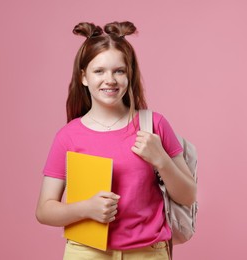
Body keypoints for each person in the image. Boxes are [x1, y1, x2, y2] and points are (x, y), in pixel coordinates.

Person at [36, 21, 197, 260]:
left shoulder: (154, 125)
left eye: (119, 71)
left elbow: (188, 196)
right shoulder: (68, 135)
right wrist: (86, 208)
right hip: (87, 252)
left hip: (148, 253)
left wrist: (161, 159)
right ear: (83, 77)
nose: (109, 79)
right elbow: (44, 210)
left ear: (129, 75)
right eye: (99, 71)